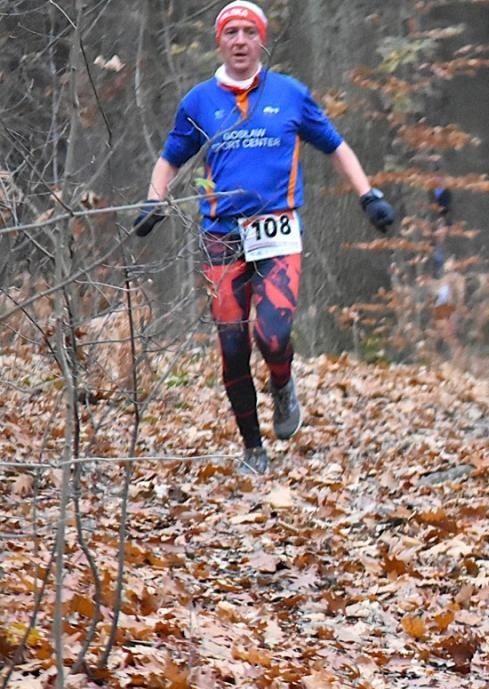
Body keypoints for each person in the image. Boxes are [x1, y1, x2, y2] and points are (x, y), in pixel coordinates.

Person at [132, 1, 397, 476]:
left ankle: (282, 382)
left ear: (261, 41)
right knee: (232, 347)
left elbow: (336, 146)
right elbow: (170, 157)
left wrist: (368, 196)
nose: (238, 40)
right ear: (219, 41)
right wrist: (154, 201)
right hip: (221, 236)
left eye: (247, 32)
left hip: (277, 232)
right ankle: (253, 449)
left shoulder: (290, 94)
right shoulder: (199, 101)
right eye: (230, 32)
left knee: (272, 335)